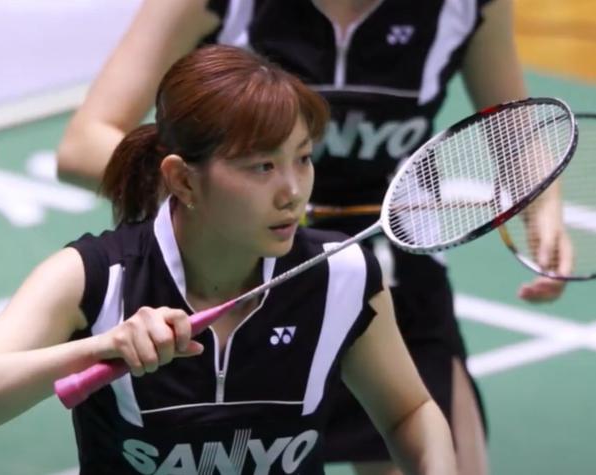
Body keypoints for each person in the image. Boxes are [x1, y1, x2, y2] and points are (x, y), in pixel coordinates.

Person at [55, 1, 572, 474]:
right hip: (254, 278)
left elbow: (515, 127)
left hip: (392, 278)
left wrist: (543, 208)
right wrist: (225, 204)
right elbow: (84, 144)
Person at [0, 45, 457, 475]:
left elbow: (408, 412)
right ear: (183, 179)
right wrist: (101, 347)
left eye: (302, 158)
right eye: (262, 167)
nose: (293, 191)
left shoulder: (340, 275)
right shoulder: (96, 278)